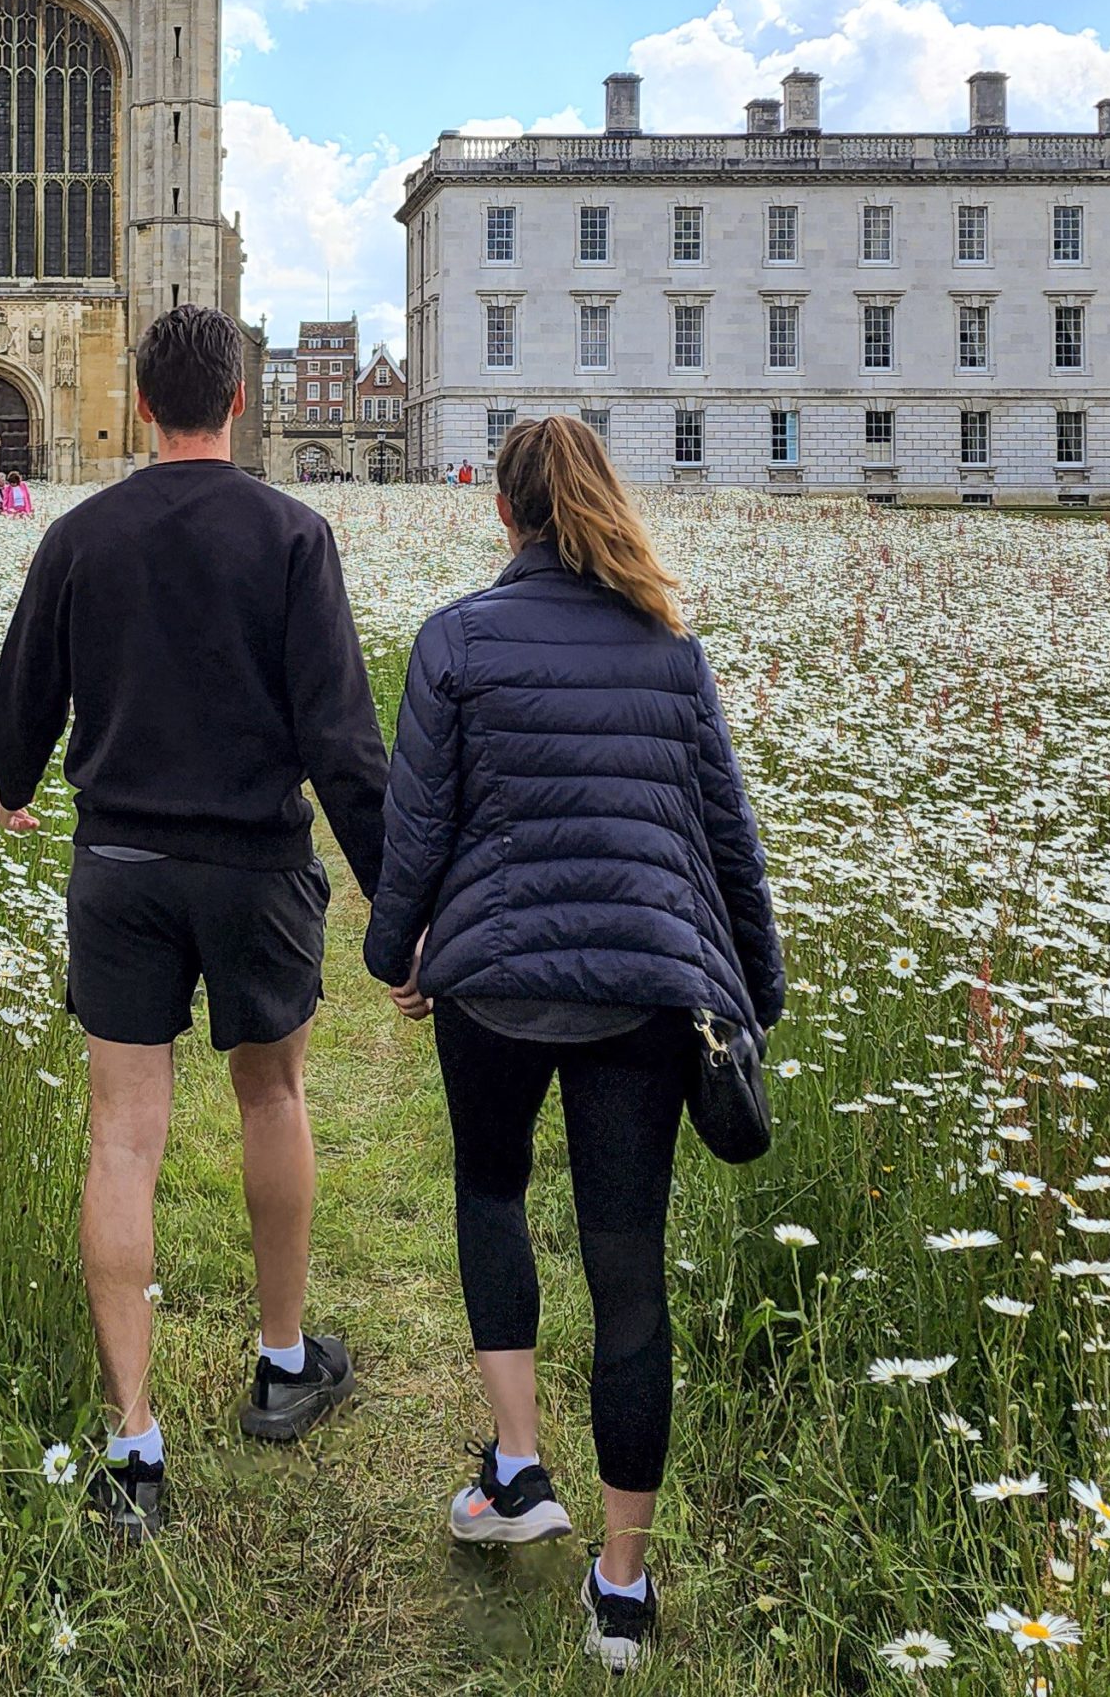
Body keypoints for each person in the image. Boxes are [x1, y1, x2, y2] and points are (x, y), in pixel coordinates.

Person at [362, 416, 784, 1674]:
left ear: (504, 514)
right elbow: (729, 835)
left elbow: (417, 825)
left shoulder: (457, 639)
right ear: (604, 501)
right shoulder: (669, 645)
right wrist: (753, 991)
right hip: (645, 993)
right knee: (627, 1264)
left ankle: (515, 1467)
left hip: (493, 980)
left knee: (490, 1193)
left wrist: (395, 953)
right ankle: (621, 1583)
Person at [0, 304, 389, 1540]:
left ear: (144, 406)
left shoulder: (79, 536)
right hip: (254, 862)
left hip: (119, 861)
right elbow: (339, 739)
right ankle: (280, 1364)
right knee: (271, 1098)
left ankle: (134, 1442)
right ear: (240, 401)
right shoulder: (292, 533)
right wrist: (398, 905)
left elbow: (18, 707)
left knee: (123, 1139)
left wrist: (14, 783)